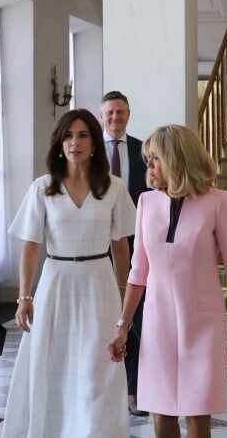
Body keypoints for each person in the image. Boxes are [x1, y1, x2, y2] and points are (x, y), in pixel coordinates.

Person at [108, 124, 227, 438]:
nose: (148, 166)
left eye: (155, 159)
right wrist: (123, 326)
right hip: (156, 322)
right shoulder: (146, 204)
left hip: (203, 325)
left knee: (197, 416)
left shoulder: (217, 201)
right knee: (161, 415)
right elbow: (138, 272)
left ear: (176, 160)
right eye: (148, 159)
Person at [1, 108, 136, 438]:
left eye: (82, 135)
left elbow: (121, 247)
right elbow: (31, 245)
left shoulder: (114, 187)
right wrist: (24, 296)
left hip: (99, 282)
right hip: (56, 281)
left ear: (94, 142)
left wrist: (123, 301)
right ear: (59, 143)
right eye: (67, 135)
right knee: (54, 363)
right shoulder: (43, 188)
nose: (74, 142)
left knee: (97, 367)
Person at [100, 91, 148, 417]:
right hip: (96, 248)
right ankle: (102, 393)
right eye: (110, 113)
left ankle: (133, 390)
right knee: (102, 318)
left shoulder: (144, 151)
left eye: (120, 112)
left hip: (135, 245)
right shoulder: (87, 154)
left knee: (134, 320)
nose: (115, 118)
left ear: (128, 115)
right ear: (101, 117)